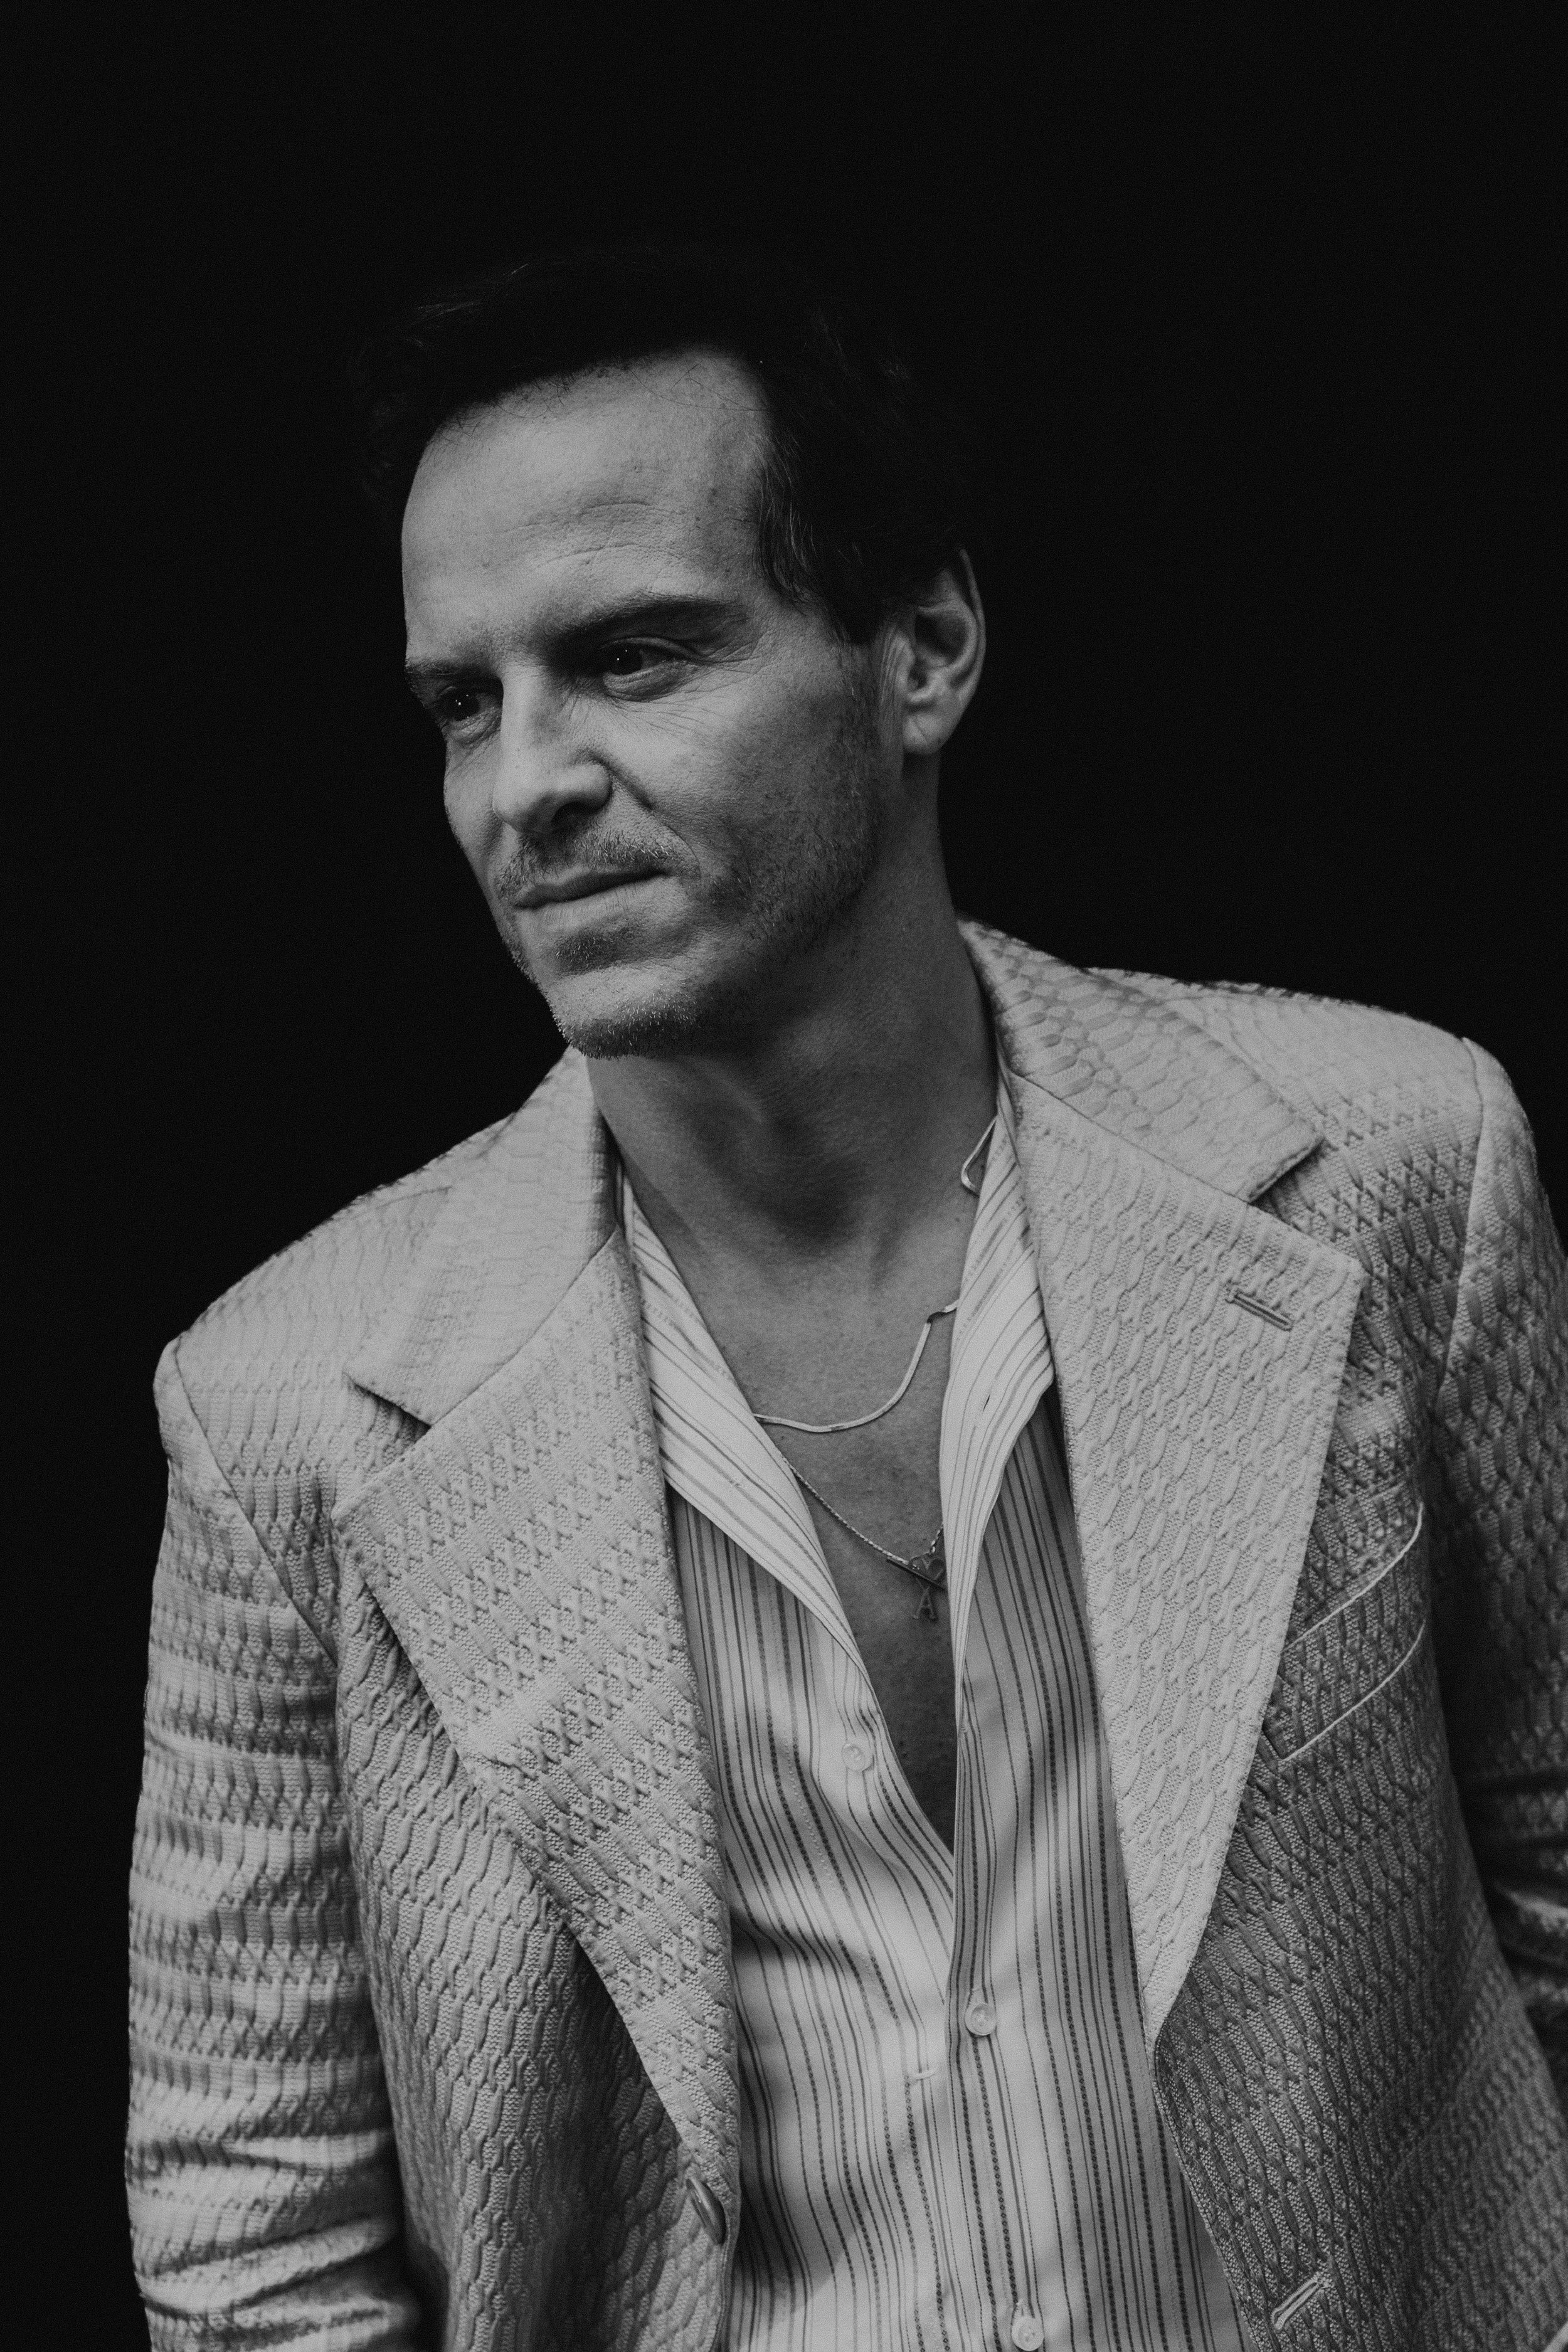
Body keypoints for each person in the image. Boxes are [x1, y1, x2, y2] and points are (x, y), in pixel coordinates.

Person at [126, 245, 1567, 2352]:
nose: (522, 784)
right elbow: (253, 2226)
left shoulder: (1381, 1170)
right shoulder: (288, 1414)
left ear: (924, 649)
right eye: (464, 700)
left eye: (632, 659)